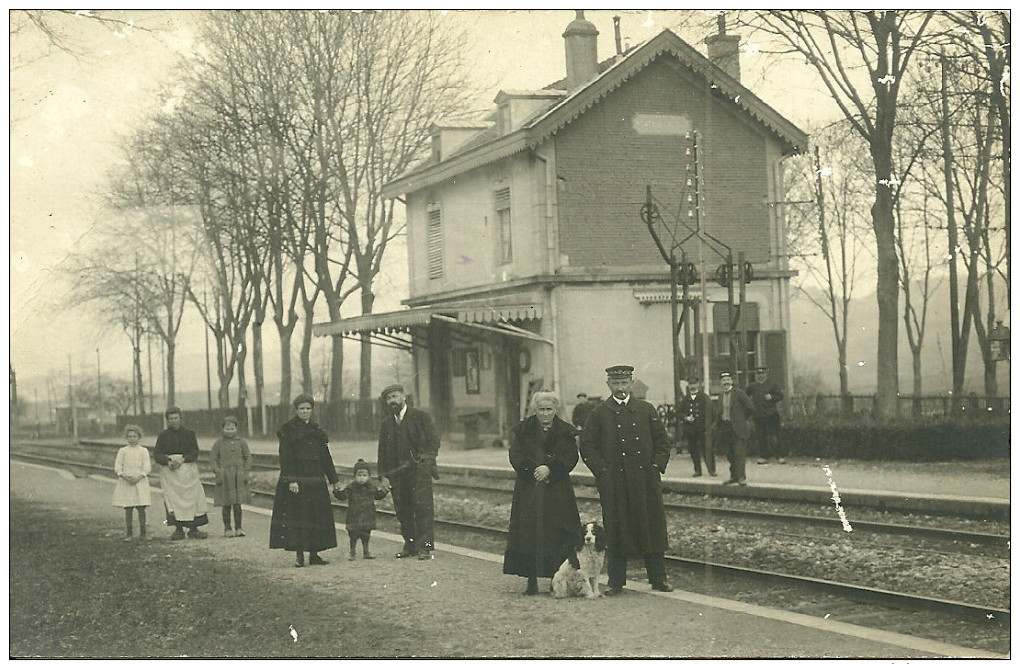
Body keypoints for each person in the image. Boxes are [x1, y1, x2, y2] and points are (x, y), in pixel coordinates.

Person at [579, 365, 673, 595]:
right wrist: (602, 471)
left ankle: (658, 578)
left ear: (631, 383)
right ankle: (616, 582)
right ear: (608, 385)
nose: (620, 388)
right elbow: (587, 446)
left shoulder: (645, 409)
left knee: (651, 526)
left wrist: (656, 466)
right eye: (616, 384)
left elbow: (662, 440)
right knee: (616, 529)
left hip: (645, 481)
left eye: (624, 383)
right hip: (615, 483)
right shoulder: (599, 413)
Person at [503, 391, 583, 596]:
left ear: (555, 410)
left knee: (559, 531)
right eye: (541, 409)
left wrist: (551, 469)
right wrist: (533, 470)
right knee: (530, 532)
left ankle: (556, 578)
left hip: (557, 488)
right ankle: (530, 579)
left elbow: (571, 456)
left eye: (549, 409)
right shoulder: (523, 431)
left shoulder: (566, 431)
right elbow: (516, 455)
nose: (545, 414)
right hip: (530, 488)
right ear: (534, 410)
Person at [269, 394, 340, 567]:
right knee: (299, 516)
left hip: (315, 479)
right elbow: (285, 458)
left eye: (308, 408)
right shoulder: (288, 430)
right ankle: (300, 555)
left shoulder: (316, 430)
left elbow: (325, 457)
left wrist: (333, 479)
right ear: (296, 410)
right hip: (298, 479)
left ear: (312, 410)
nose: (305, 411)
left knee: (317, 516)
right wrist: (291, 480)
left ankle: (314, 554)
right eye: (302, 409)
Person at [377, 383, 441, 560]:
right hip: (397, 473)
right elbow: (381, 451)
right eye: (389, 398)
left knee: (423, 508)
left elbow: (433, 441)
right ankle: (410, 545)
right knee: (402, 509)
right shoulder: (386, 423)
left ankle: (425, 548)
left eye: (395, 396)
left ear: (404, 397)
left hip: (419, 471)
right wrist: (383, 475)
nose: (392, 401)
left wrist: (425, 460)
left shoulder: (420, 417)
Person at [154, 407, 209, 540]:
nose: (174, 421)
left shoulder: (189, 434)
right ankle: (178, 529)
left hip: (187, 469)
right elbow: (157, 454)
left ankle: (194, 529)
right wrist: (167, 462)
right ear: (167, 420)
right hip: (170, 472)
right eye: (171, 418)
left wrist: (183, 459)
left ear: (181, 418)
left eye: (176, 418)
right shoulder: (163, 435)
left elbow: (195, 452)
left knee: (193, 497)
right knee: (173, 500)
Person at [333, 458, 390, 561]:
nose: (361, 478)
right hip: (354, 515)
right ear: (355, 476)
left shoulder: (371, 487)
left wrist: (385, 490)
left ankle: (366, 552)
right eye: (359, 475)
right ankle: (352, 552)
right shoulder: (351, 487)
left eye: (364, 476)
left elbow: (378, 495)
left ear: (369, 476)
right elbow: (343, 496)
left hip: (367, 515)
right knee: (353, 536)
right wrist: (337, 492)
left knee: (366, 535)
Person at [211, 415, 252, 538]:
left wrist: (245, 470)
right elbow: (213, 459)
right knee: (226, 503)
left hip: (238, 476)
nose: (230, 431)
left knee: (238, 503)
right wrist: (218, 471)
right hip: (225, 476)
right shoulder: (218, 443)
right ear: (222, 429)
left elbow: (248, 457)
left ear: (237, 428)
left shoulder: (242, 442)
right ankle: (227, 528)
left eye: (232, 429)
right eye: (227, 429)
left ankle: (239, 527)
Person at [713, 371, 756, 486]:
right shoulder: (721, 395)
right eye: (723, 380)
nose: (726, 382)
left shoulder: (739, 393)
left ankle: (741, 477)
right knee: (729, 453)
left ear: (731, 381)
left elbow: (750, 407)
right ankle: (734, 476)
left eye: (728, 380)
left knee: (739, 452)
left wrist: (742, 419)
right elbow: (720, 412)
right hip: (726, 427)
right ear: (721, 383)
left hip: (738, 427)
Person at [112, 424, 152, 541]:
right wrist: (124, 476)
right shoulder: (123, 451)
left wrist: (140, 477)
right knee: (128, 508)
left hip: (140, 482)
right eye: (129, 436)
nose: (132, 438)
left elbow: (147, 467)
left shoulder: (143, 451)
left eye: (134, 436)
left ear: (139, 437)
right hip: (126, 482)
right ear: (126, 437)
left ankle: (143, 533)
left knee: (141, 508)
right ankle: (129, 533)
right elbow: (118, 466)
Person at [746, 365, 785, 464]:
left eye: (762, 373)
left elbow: (780, 396)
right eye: (758, 373)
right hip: (758, 415)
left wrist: (772, 397)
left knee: (774, 436)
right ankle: (764, 456)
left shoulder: (772, 384)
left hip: (771, 415)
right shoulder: (752, 386)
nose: (760, 375)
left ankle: (779, 456)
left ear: (766, 373)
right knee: (761, 437)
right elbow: (745, 397)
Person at [679, 376, 715, 477]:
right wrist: (686, 418)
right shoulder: (685, 399)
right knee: (693, 450)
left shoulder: (704, 397)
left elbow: (712, 413)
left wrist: (708, 426)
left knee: (707, 449)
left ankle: (712, 470)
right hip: (691, 430)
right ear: (688, 386)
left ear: (698, 385)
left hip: (703, 429)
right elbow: (679, 412)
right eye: (691, 384)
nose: (693, 386)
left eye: (694, 384)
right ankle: (697, 470)